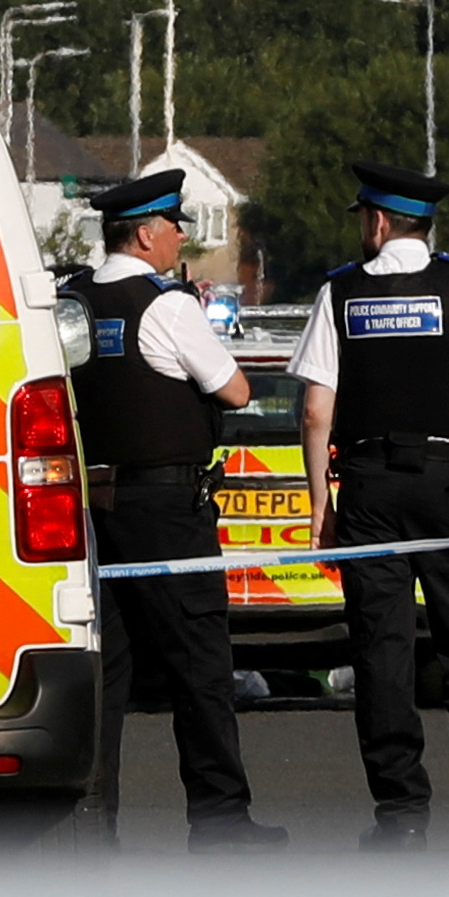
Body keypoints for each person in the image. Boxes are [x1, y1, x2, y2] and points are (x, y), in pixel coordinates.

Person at [291, 160, 449, 846]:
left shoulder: (339, 294)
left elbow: (317, 413)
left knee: (382, 652)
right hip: (446, 485)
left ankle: (401, 816)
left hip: (370, 488)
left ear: (378, 222)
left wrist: (323, 504)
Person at [71, 170, 283, 849]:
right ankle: (220, 820)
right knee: (199, 664)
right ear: (145, 233)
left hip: (94, 508)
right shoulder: (166, 306)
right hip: (166, 507)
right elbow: (238, 390)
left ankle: (92, 826)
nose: (182, 236)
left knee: (106, 674)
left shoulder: (69, 301)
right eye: (174, 225)